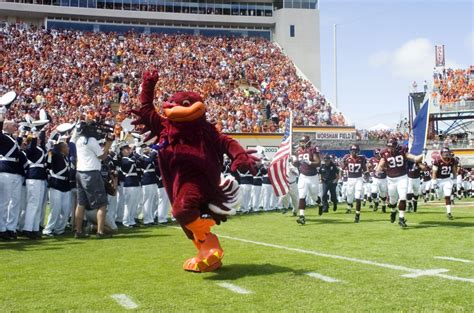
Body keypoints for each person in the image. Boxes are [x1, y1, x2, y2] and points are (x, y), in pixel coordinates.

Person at [73, 122, 114, 239]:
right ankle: (100, 232)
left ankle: (78, 231)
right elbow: (102, 156)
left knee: (81, 203)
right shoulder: (91, 140)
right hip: (91, 173)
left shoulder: (78, 139)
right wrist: (108, 145)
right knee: (102, 204)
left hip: (80, 172)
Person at [376, 138, 423, 227]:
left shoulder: (402, 151)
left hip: (402, 177)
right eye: (388, 146)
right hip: (391, 179)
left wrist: (422, 154)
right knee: (393, 201)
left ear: (396, 146)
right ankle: (393, 211)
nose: (390, 148)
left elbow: (415, 158)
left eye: (392, 146)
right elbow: (381, 164)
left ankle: (401, 218)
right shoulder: (384, 153)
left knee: (402, 197)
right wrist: (378, 170)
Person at [0, 113, 25, 240]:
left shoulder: (12, 139)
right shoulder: (3, 137)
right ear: (5, 126)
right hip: (6, 171)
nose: (15, 127)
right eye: (12, 125)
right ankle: (2, 228)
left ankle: (11, 228)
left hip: (15, 171)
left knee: (15, 202)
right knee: (4, 202)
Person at [43, 141, 72, 236]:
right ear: (62, 148)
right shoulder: (55, 155)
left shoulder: (66, 158)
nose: (68, 148)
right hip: (56, 184)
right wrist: (57, 143)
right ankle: (48, 230)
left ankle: (59, 229)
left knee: (66, 210)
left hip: (66, 185)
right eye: (66, 147)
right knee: (55, 209)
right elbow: (50, 156)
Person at [295, 135, 321, 225]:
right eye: (301, 141)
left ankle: (319, 203)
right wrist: (294, 162)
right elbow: (297, 164)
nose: (301, 143)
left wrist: (309, 162)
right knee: (302, 195)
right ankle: (302, 217)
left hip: (313, 176)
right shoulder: (298, 151)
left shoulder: (313, 149)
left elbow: (318, 163)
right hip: (303, 176)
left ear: (307, 142)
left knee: (314, 197)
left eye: (303, 141)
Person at [342, 144, 367, 223]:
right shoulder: (347, 158)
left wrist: (367, 176)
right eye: (352, 150)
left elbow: (365, 169)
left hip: (358, 179)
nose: (354, 152)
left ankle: (357, 215)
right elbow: (342, 167)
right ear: (350, 151)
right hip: (350, 179)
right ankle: (349, 205)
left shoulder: (361, 159)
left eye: (355, 150)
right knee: (349, 197)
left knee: (357, 197)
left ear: (358, 151)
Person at [432, 147, 458, 220]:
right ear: (441, 154)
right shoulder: (437, 161)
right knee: (439, 195)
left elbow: (454, 171)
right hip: (438, 180)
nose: (446, 155)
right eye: (444, 153)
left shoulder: (452, 160)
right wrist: (434, 182)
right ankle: (437, 195)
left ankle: (449, 213)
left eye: (447, 153)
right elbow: (434, 172)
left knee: (447, 196)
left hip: (447, 179)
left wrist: (455, 182)